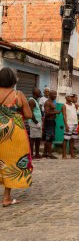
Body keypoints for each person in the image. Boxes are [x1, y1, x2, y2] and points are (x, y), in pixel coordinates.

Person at [0, 67, 33, 207]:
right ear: (13, 80)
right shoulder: (18, 94)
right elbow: (29, 115)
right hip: (14, 133)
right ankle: (7, 198)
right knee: (12, 163)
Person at [62, 92, 79, 159]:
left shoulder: (74, 105)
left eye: (72, 97)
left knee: (72, 139)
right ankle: (64, 155)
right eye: (70, 97)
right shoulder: (64, 106)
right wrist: (66, 125)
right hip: (69, 124)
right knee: (66, 139)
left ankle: (72, 154)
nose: (71, 98)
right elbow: (64, 116)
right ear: (66, 97)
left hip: (75, 123)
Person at [43, 90, 60, 159]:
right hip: (49, 121)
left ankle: (45, 153)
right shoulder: (47, 102)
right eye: (54, 94)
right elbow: (46, 113)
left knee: (48, 138)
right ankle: (50, 154)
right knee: (49, 138)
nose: (55, 96)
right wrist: (55, 112)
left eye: (56, 94)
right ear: (50, 95)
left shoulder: (51, 102)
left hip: (51, 121)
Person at [28, 87, 43, 159]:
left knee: (38, 138)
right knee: (32, 138)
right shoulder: (31, 101)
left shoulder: (36, 100)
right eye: (39, 92)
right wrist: (37, 122)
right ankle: (31, 154)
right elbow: (30, 113)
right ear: (35, 93)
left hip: (38, 122)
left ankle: (37, 154)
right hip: (34, 123)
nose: (40, 93)